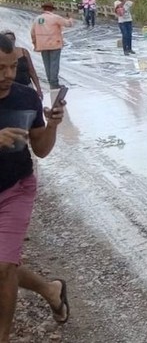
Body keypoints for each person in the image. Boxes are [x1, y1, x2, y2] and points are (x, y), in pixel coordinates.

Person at [0, 34, 70, 339]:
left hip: (16, 188)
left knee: (2, 268)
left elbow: (40, 149)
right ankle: (50, 289)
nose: (8, 76)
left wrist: (52, 125)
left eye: (13, 67)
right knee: (5, 267)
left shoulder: (25, 98)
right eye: (0, 68)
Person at [29, 1, 74, 89]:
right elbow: (68, 24)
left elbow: (32, 33)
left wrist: (35, 44)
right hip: (54, 44)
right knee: (54, 64)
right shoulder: (55, 18)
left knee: (47, 64)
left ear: (43, 9)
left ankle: (51, 82)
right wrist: (70, 18)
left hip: (42, 45)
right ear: (52, 9)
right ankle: (54, 83)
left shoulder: (37, 19)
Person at [0, 32, 42, 98]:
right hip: (11, 87)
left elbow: (32, 71)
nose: (10, 41)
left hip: (27, 85)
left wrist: (38, 89)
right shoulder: (2, 57)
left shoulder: (23, 51)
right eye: (8, 39)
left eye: (12, 39)